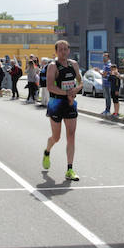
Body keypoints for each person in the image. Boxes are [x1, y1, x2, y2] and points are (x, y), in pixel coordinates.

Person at [42, 40, 82, 181]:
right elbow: (50, 87)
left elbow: (80, 81)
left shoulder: (74, 64)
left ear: (69, 50)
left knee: (71, 136)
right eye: (60, 49)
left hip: (70, 103)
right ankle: (47, 151)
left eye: (66, 49)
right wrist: (67, 93)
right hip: (56, 103)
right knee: (56, 137)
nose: (63, 52)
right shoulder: (53, 66)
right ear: (56, 51)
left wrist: (76, 89)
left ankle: (69, 169)